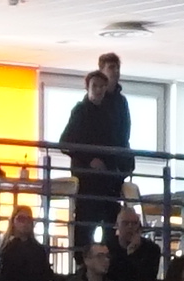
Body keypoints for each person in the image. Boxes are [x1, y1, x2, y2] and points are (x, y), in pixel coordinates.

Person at [57, 57, 135, 258]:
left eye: (102, 86)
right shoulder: (80, 111)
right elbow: (65, 142)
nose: (99, 90)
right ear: (88, 88)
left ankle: (110, 262)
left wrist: (124, 166)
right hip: (89, 180)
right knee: (86, 225)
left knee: (110, 225)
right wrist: (89, 159)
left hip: (109, 179)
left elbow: (121, 139)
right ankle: (82, 263)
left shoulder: (112, 111)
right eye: (95, 86)